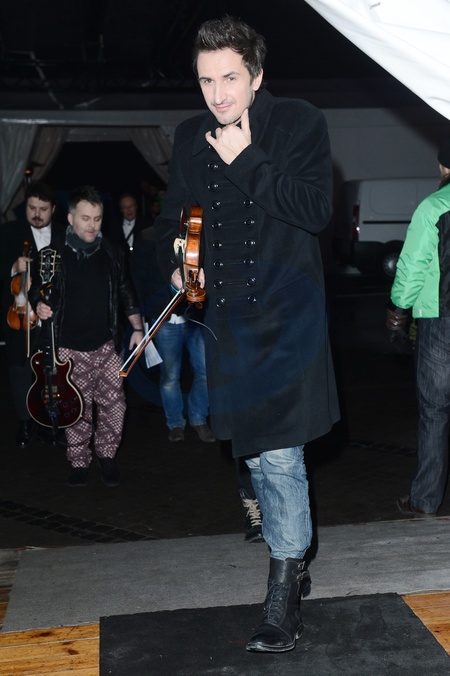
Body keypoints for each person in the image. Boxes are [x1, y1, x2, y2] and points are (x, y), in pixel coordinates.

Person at [155, 16, 339, 653]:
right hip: (229, 325)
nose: (218, 94)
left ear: (257, 76)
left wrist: (246, 159)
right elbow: (171, 222)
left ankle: (283, 594)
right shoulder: (189, 136)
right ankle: (295, 556)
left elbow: (316, 209)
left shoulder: (298, 123)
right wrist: (180, 258)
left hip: (289, 322)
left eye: (230, 78)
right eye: (207, 81)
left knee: (281, 458)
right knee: (257, 457)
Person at [28, 185, 144, 487]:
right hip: (67, 347)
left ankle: (107, 456)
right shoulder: (51, 254)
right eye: (85, 218)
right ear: (70, 218)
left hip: (106, 344)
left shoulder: (113, 252)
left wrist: (137, 328)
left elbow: (126, 290)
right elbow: (36, 289)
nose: (92, 225)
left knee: (115, 405)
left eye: (97, 218)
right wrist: (38, 303)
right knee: (76, 410)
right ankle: (79, 461)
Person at [387, 138, 450, 519]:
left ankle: (425, 498)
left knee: (435, 412)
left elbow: (412, 266)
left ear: (443, 167)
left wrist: (398, 312)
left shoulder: (433, 207)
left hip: (441, 320)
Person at [131, 226, 216, 443]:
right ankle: (175, 422)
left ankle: (199, 418)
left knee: (205, 371)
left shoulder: (198, 236)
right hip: (166, 320)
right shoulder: (149, 238)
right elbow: (140, 279)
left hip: (196, 318)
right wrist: (143, 314)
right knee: (170, 376)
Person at [0, 181, 66, 449]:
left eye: (43, 209)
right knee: (20, 369)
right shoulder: (9, 232)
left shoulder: (64, 234)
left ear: (54, 209)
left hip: (53, 316)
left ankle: (50, 422)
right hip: (20, 315)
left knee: (53, 370)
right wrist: (12, 266)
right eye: (31, 208)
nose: (37, 214)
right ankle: (25, 422)